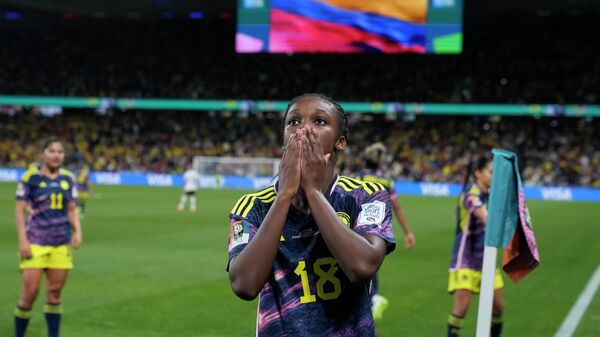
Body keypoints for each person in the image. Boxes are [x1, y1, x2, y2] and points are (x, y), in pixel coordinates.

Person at [226, 93, 396, 336]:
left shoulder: (364, 195)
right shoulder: (253, 206)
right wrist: (284, 195)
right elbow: (244, 285)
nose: (303, 129)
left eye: (319, 122)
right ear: (284, 138)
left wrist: (313, 192)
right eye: (293, 122)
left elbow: (362, 267)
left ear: (341, 141)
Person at [14, 139, 83, 337]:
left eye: (60, 151)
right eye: (52, 151)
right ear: (43, 153)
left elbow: (71, 208)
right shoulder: (31, 178)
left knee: (54, 293)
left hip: (61, 243)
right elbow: (19, 211)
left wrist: (77, 231)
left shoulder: (69, 179)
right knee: (30, 292)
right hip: (35, 241)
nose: (56, 155)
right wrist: (23, 241)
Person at [357, 142, 416, 321]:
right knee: (370, 264)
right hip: (378, 231)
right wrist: (408, 232)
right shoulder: (387, 181)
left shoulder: (356, 178)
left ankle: (373, 298)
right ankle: (373, 298)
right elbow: (397, 208)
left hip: (357, 227)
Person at [447, 156, 504, 337]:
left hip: (488, 259)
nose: (494, 176)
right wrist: (491, 219)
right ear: (478, 173)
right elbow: (480, 211)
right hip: (466, 259)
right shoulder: (470, 192)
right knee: (461, 308)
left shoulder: (493, 194)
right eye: (491, 172)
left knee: (498, 307)